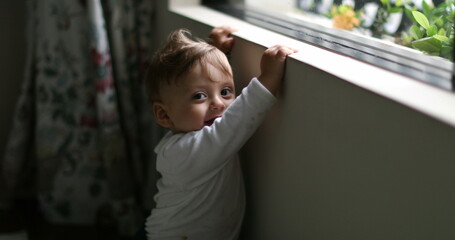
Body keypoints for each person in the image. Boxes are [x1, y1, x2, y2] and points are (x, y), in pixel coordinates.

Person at [143, 26, 297, 239]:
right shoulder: (186, 152)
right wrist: (269, 77)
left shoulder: (198, 140)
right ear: (164, 115)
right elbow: (237, 120)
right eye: (199, 96)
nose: (218, 103)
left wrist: (217, 51)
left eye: (226, 92)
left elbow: (211, 93)